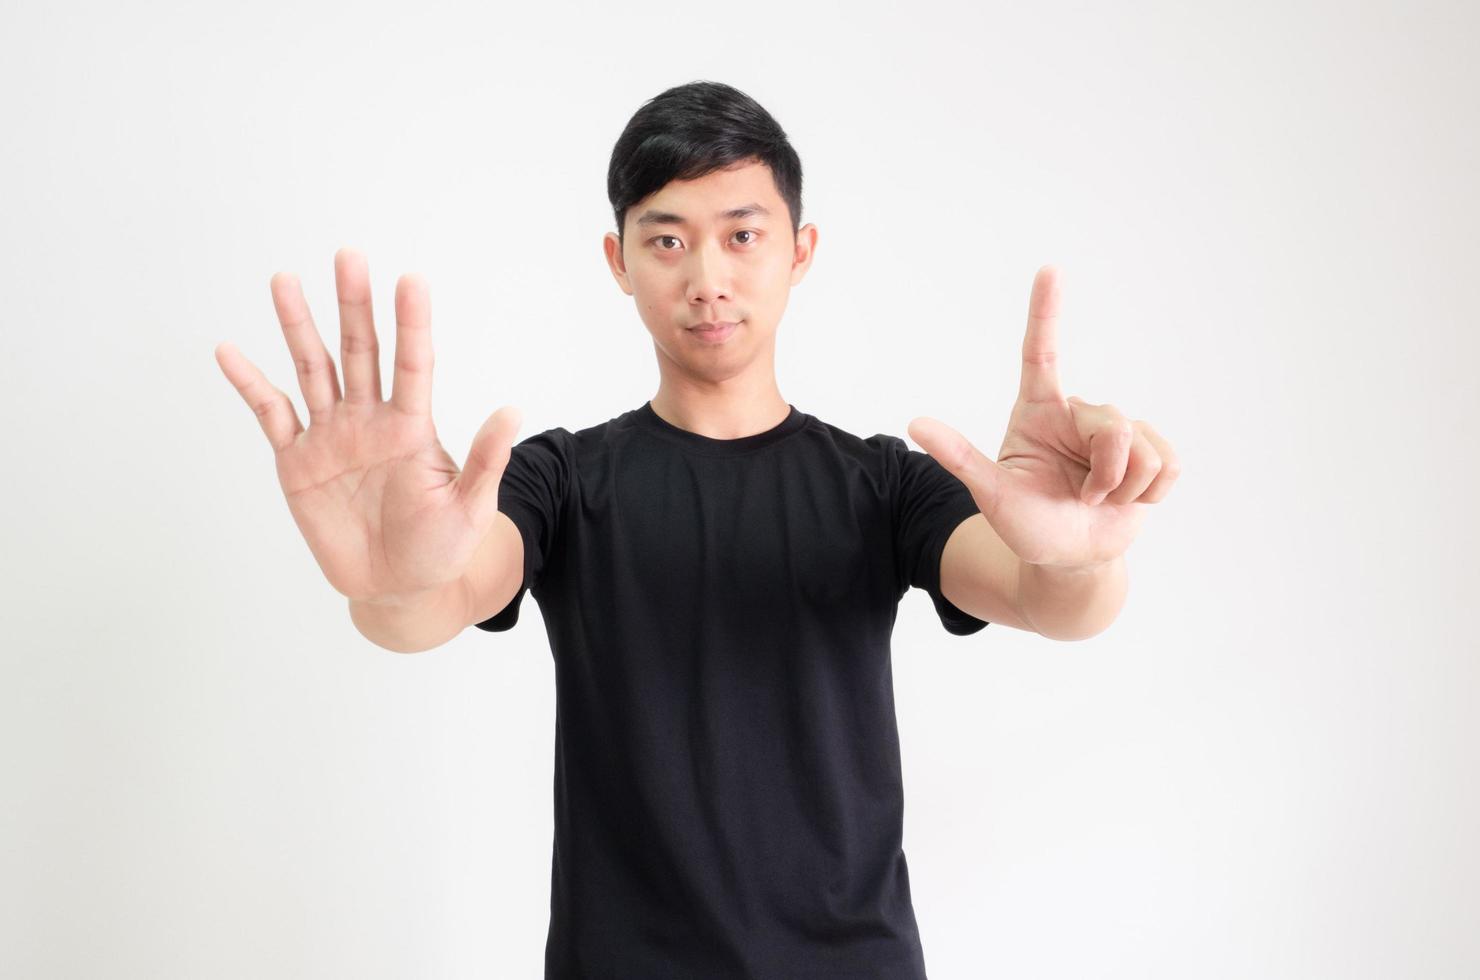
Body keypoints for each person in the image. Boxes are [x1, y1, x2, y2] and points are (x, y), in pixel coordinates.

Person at [214, 79, 1179, 980]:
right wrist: (389, 581)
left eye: (743, 235)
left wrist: (1080, 555)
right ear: (618, 262)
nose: (708, 278)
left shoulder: (880, 485)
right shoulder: (560, 481)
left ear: (800, 251)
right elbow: (438, 597)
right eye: (667, 240)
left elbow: (1041, 594)